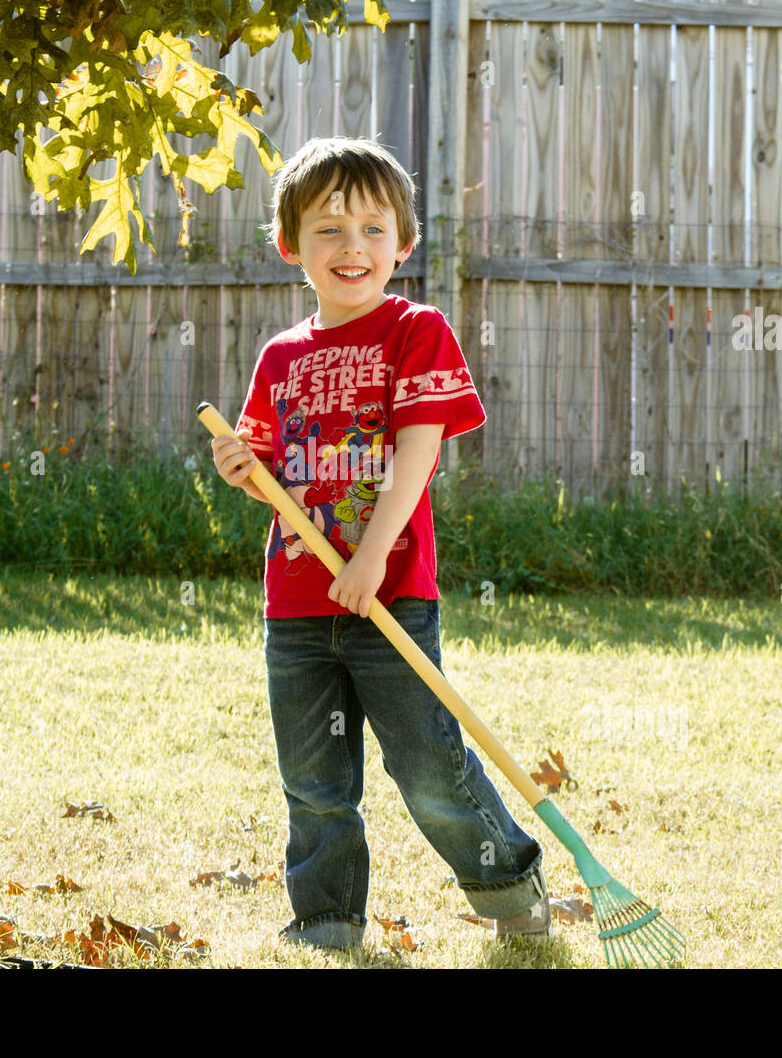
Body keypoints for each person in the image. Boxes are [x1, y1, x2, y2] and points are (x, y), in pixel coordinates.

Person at [209, 136, 547, 953]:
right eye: (328, 230)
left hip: (390, 593)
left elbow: (418, 458)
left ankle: (508, 886)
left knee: (427, 767)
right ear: (291, 246)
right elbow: (268, 477)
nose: (351, 247)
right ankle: (326, 919)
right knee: (313, 781)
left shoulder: (415, 331)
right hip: (296, 602)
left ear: (404, 242)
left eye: (371, 229)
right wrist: (240, 469)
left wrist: (370, 559)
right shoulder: (280, 357)